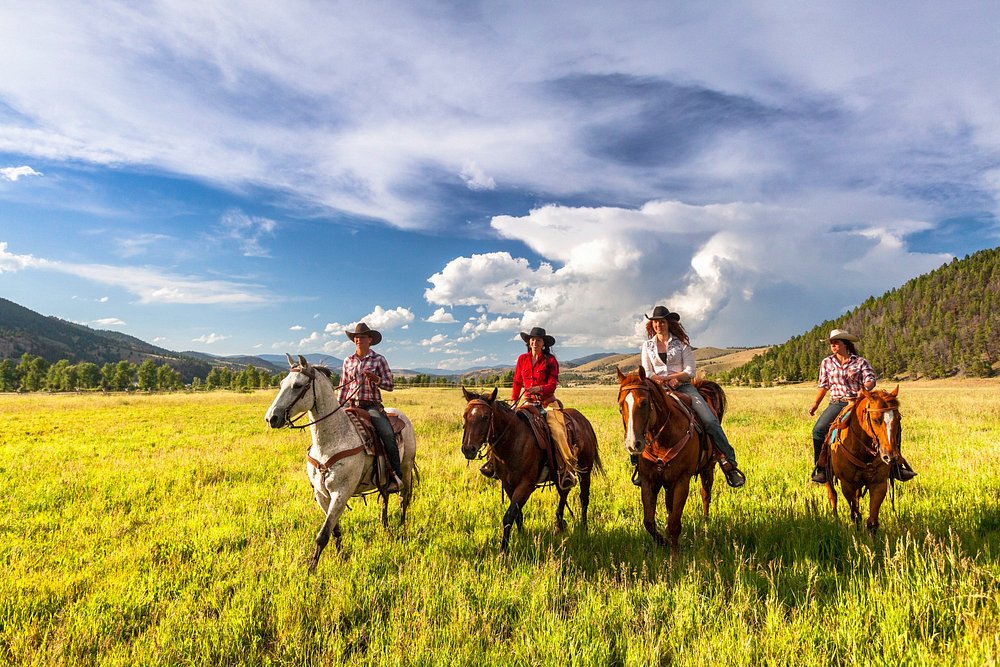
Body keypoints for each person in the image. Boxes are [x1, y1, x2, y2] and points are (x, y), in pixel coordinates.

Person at [640, 306, 746, 488]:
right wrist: (662, 381)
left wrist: (674, 378)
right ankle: (638, 464)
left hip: (684, 387)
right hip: (658, 390)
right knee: (638, 417)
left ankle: (728, 462)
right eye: (655, 322)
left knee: (709, 420)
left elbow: (690, 371)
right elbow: (647, 372)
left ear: (668, 323)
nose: (658, 325)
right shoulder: (647, 346)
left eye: (662, 322)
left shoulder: (681, 344)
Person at [808, 328, 916, 484]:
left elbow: (870, 379)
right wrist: (815, 404)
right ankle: (822, 468)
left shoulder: (860, 362)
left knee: (889, 426)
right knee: (819, 431)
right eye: (831, 343)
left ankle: (896, 466)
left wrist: (864, 389)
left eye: (836, 342)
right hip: (837, 402)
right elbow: (823, 385)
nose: (832, 345)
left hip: (859, 402)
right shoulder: (827, 362)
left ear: (845, 344)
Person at [483, 326, 576, 488]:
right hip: (526, 402)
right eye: (532, 339)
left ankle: (566, 469)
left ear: (544, 344)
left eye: (538, 340)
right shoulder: (522, 359)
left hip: (547, 403)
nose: (535, 342)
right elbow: (517, 382)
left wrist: (539, 388)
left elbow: (552, 384)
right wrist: (514, 401)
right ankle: (493, 463)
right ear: (529, 342)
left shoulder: (550, 361)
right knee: (501, 424)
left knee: (558, 430)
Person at [338, 322, 404, 493]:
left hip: (370, 407)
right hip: (350, 404)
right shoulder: (348, 361)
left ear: (370, 340)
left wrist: (376, 379)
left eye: (362, 337)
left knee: (387, 434)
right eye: (356, 337)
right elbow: (344, 387)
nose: (358, 339)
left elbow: (390, 385)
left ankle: (395, 476)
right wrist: (338, 407)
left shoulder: (379, 360)